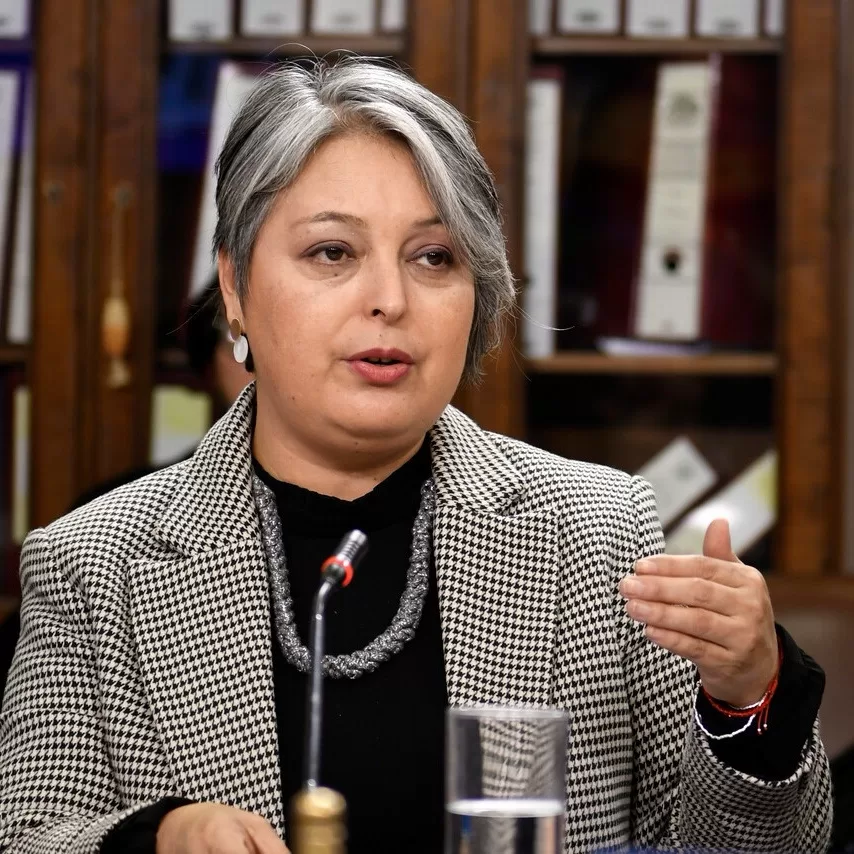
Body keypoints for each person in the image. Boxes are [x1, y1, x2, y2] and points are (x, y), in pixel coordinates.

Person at [0, 57, 830, 854]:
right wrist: (158, 838)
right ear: (235, 287)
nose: (390, 301)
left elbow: (749, 848)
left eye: (434, 258)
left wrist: (747, 696)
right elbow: (31, 836)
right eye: (333, 253)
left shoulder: (596, 531)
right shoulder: (93, 564)